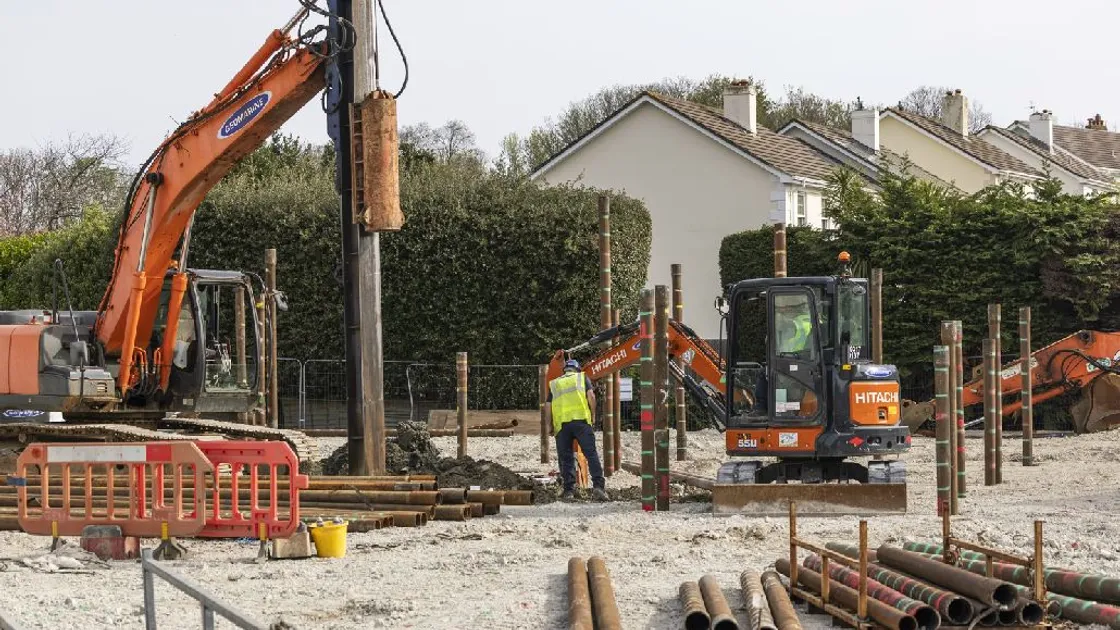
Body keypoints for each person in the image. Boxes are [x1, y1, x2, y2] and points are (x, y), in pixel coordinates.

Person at [546, 359, 608, 501]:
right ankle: (598, 487)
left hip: (562, 425)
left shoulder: (555, 383)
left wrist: (549, 425)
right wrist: (593, 416)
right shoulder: (582, 377)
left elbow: (548, 405)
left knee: (566, 457)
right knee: (591, 454)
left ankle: (569, 491)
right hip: (581, 422)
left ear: (565, 370)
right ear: (577, 369)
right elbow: (591, 396)